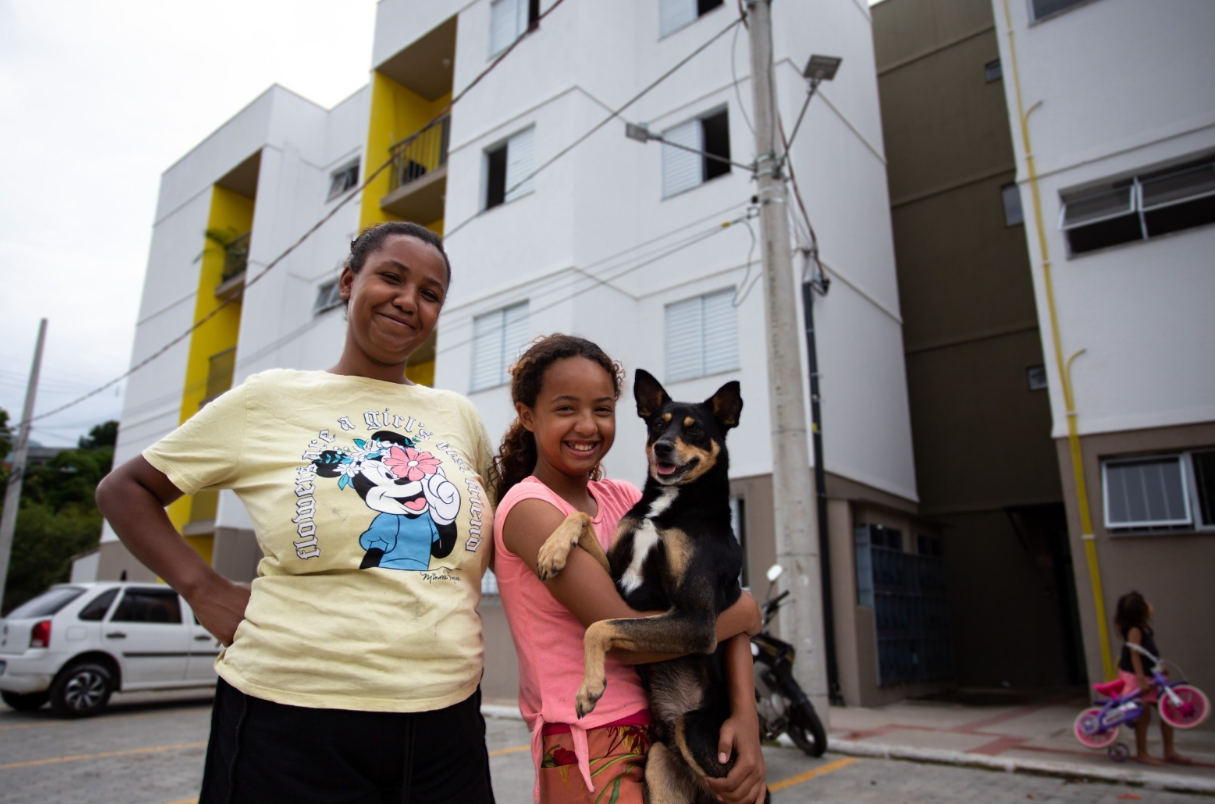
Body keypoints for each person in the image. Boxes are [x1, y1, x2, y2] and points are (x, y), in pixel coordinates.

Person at [96, 222, 498, 803]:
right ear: (347, 282)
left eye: (430, 293)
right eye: (391, 277)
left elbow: (500, 528)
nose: (409, 301)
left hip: (447, 717)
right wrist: (203, 590)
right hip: (292, 716)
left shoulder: (458, 417)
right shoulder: (270, 399)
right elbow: (125, 489)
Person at [489, 334, 767, 804]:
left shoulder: (623, 499)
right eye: (565, 409)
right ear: (527, 415)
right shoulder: (528, 508)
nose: (587, 425)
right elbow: (626, 639)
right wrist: (744, 613)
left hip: (665, 726)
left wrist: (746, 718)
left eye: (602, 409)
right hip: (590, 735)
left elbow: (720, 591)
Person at [1114, 590, 1191, 766]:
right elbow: (1135, 655)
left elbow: (1148, 654)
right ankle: (1142, 753)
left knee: (1167, 710)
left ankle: (1169, 751)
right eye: (1146, 602)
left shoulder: (1146, 628)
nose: (1150, 604)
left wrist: (1159, 670)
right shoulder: (1135, 630)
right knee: (1143, 715)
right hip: (1135, 676)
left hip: (1149, 675)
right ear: (1139, 610)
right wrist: (1141, 679)